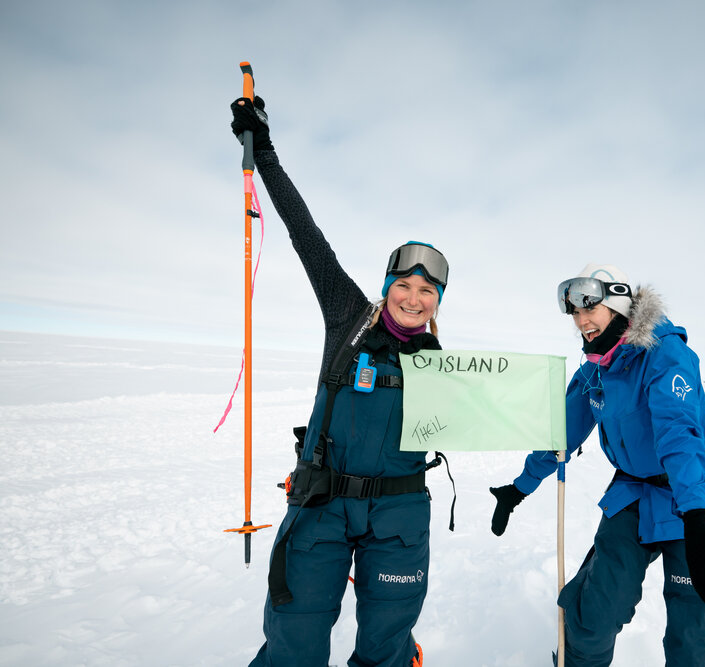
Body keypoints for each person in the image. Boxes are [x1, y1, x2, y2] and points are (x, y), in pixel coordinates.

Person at [230, 95, 445, 667]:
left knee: (384, 646)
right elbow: (307, 237)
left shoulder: (444, 365)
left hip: (399, 516)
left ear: (436, 302)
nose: (414, 297)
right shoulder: (347, 316)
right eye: (405, 284)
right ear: (387, 286)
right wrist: (266, 155)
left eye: (428, 291)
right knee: (294, 641)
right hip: (321, 501)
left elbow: (498, 414)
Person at [489, 264, 705, 667]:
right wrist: (520, 487)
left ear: (619, 303)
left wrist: (696, 518)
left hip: (695, 496)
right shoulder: (594, 371)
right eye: (574, 313)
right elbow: (560, 438)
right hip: (635, 494)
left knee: (697, 638)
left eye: (590, 308)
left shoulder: (666, 354)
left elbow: (679, 435)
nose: (581, 321)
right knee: (593, 614)